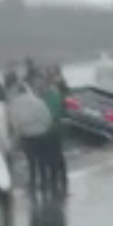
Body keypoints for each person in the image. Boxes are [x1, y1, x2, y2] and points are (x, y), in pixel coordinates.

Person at [7, 75, 55, 202]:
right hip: (43, 134)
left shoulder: (14, 104)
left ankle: (33, 185)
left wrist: (14, 144)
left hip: (28, 136)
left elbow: (15, 125)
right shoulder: (37, 100)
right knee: (42, 161)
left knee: (32, 163)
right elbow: (48, 118)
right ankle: (45, 184)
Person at [39, 66, 70, 198]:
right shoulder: (47, 95)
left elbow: (56, 112)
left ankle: (56, 178)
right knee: (55, 155)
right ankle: (59, 178)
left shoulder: (52, 95)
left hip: (53, 128)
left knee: (54, 155)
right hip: (52, 128)